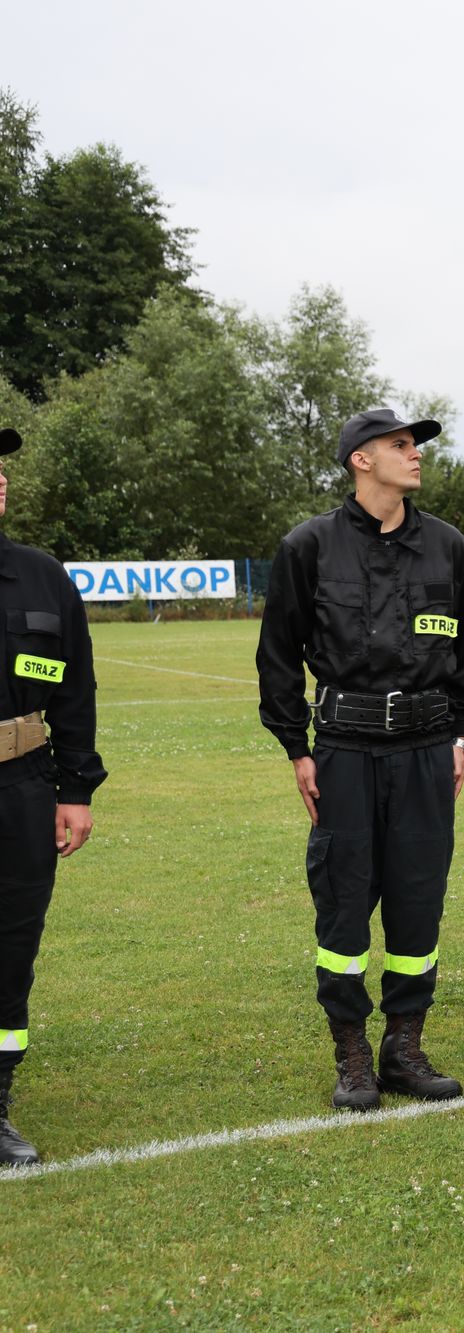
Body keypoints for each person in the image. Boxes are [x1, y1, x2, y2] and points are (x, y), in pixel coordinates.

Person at [255, 409, 464, 1110]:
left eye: (414, 446)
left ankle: (404, 1048)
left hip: (425, 750)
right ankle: (352, 1053)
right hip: (345, 752)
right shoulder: (309, 546)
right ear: (360, 459)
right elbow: (277, 658)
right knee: (344, 902)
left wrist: (459, 735)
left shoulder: (447, 546)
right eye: (399, 445)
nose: (414, 456)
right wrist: (298, 748)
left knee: (419, 900)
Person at [0, 426, 105, 1167]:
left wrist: (75, 787)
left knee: (11, 946)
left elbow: (73, 689)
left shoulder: (41, 576)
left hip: (23, 786)